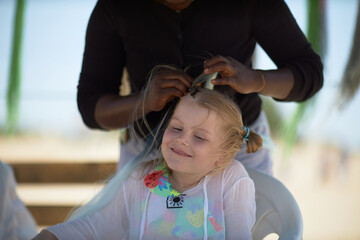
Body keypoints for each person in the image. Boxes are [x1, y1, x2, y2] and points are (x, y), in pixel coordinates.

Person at [77, 0, 323, 175]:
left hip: (238, 154)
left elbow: (309, 74)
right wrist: (144, 101)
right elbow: (90, 107)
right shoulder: (114, 8)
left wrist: (256, 80)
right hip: (148, 156)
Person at [32, 77, 263, 239]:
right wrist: (54, 235)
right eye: (176, 128)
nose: (182, 140)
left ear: (221, 157)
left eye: (199, 137)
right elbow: (98, 227)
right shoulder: (143, 178)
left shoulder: (231, 179)